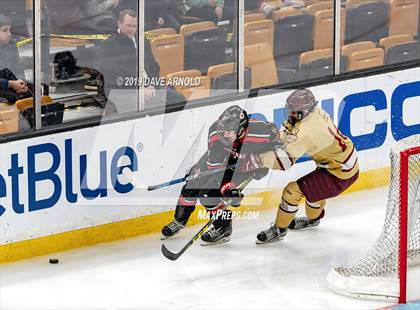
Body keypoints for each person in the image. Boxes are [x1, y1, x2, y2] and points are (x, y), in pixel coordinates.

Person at [161, 105, 281, 244]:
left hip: (242, 166)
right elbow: (216, 168)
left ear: (242, 128)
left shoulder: (261, 131)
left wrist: (264, 163)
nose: (225, 135)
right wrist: (228, 189)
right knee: (193, 183)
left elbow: (279, 143)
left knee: (208, 195)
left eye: (230, 131)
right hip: (223, 160)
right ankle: (179, 220)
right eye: (223, 130)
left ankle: (223, 228)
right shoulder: (215, 134)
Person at [255, 89, 359, 244]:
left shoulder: (307, 130)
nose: (290, 114)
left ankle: (279, 230)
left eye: (294, 111)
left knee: (292, 191)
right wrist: (284, 136)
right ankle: (313, 220)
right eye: (289, 110)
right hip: (343, 163)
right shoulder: (315, 112)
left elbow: (284, 162)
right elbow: (294, 131)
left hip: (338, 172)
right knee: (313, 192)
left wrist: (258, 160)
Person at [0, 14, 25, 80]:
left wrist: (21, 80)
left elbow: (18, 68)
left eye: (10, 30)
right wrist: (10, 84)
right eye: (5, 31)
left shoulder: (11, 44)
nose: (9, 34)